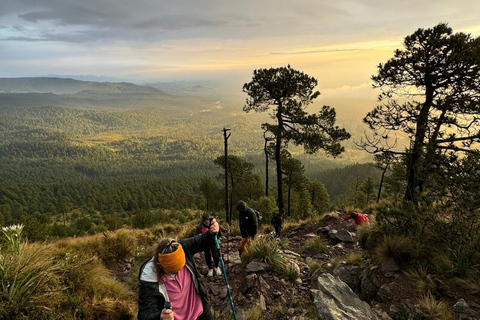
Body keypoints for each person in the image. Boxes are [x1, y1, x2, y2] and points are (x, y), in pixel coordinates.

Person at [137, 218, 220, 320]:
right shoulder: (149, 275)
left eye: (181, 267)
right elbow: (144, 314)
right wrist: (159, 316)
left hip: (200, 311)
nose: (178, 273)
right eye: (173, 271)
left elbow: (202, 240)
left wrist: (212, 232)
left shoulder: (182, 248)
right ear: (160, 265)